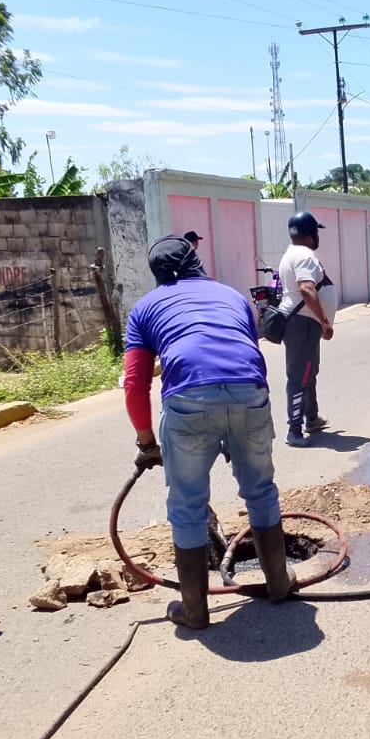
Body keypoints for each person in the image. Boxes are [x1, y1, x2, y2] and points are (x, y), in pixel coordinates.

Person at [123, 234, 296, 629]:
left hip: (187, 401)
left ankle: (194, 609)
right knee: (261, 489)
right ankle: (278, 583)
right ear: (197, 263)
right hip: (249, 392)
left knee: (187, 505)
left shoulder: (146, 307)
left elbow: (135, 384)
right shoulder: (232, 296)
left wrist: (146, 441)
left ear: (157, 274)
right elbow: (245, 351)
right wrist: (241, 420)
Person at [277, 211, 337, 447]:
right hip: (303, 323)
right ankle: (294, 430)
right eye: (316, 231)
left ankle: (311, 418)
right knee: (300, 376)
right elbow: (306, 289)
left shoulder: (293, 253)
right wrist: (324, 320)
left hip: (302, 323)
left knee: (309, 372)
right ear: (310, 234)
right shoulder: (304, 255)